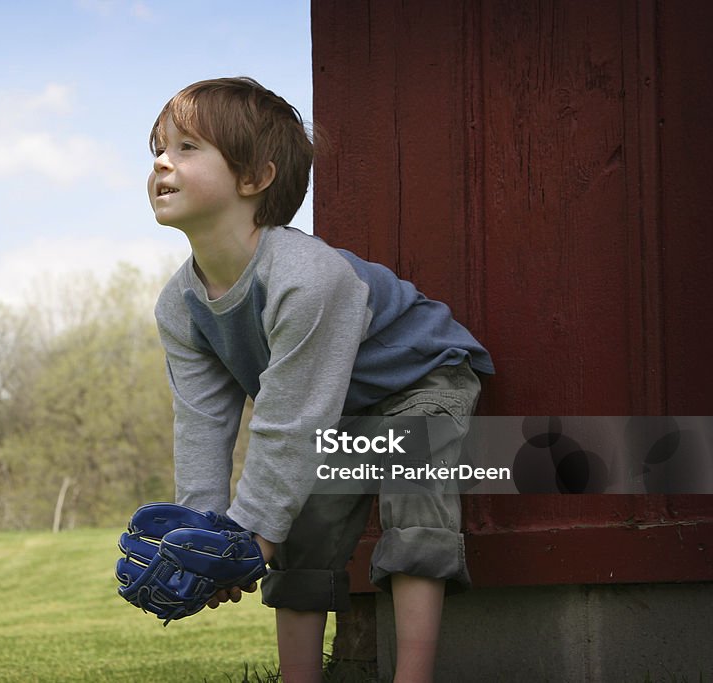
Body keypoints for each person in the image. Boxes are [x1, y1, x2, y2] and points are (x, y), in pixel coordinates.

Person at [147, 76, 494, 683]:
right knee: (302, 527)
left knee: (413, 495)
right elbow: (202, 424)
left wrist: (252, 535)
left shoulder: (306, 277)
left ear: (254, 179)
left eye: (186, 147)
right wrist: (210, 539)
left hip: (418, 383)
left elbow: (291, 420)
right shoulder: (179, 305)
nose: (160, 161)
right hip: (329, 410)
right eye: (158, 146)